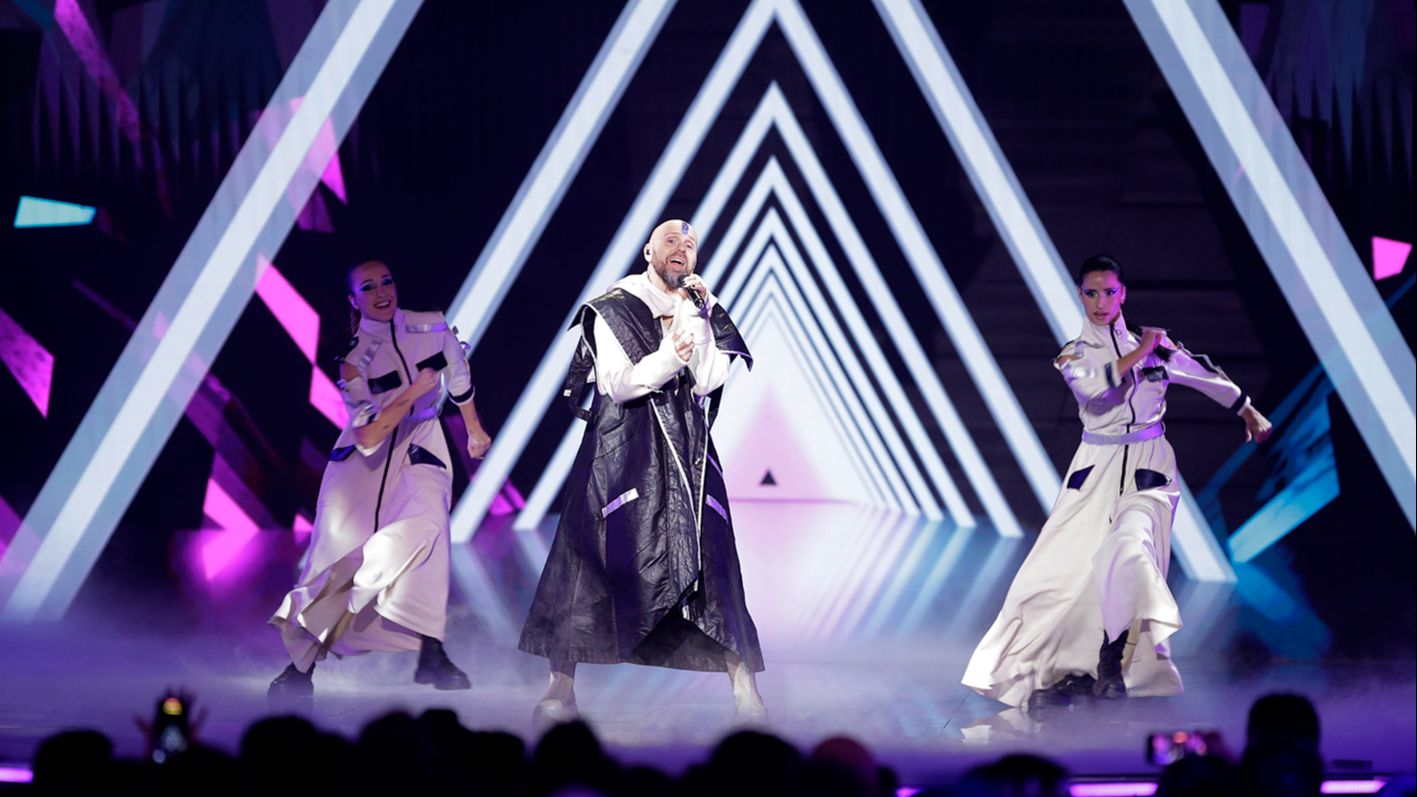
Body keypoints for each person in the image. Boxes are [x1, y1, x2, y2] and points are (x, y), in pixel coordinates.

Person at [962, 255, 1273, 710]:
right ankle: (1067, 671)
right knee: (1054, 579)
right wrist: (1142, 351)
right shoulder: (1074, 355)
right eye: (1092, 293)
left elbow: (1201, 372)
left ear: (1123, 294)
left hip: (1150, 467)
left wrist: (1246, 409)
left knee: (1129, 548)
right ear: (1080, 296)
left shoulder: (1155, 346)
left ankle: (1112, 663)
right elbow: (1096, 389)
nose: (1101, 302)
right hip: (1094, 470)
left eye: (1109, 292)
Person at [518, 219, 766, 723]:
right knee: (585, 562)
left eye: (690, 243)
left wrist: (697, 321)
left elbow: (708, 380)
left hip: (688, 453)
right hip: (622, 449)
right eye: (671, 240)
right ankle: (560, 686)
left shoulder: (702, 303)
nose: (682, 248)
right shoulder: (612, 308)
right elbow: (619, 385)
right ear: (649, 251)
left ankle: (745, 688)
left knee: (713, 564)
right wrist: (669, 356)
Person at [268, 260, 493, 701]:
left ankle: (431, 651)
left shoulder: (431, 325)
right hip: (360, 470)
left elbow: (459, 374)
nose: (381, 292)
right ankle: (299, 670)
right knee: (339, 562)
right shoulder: (354, 361)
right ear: (354, 301)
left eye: (386, 281)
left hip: (421, 444)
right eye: (368, 288)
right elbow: (369, 436)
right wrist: (411, 392)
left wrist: (474, 429)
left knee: (429, 526)